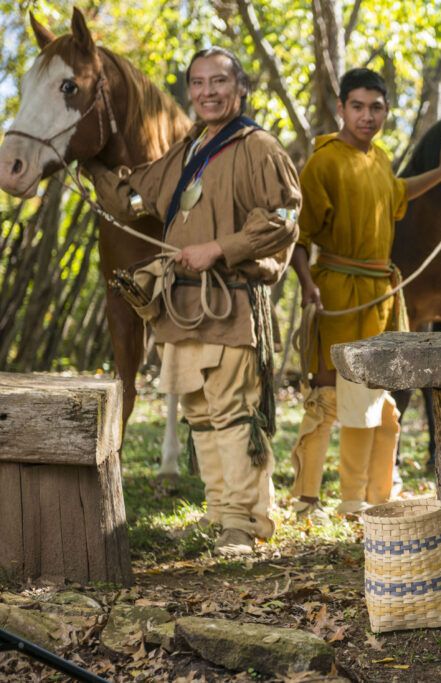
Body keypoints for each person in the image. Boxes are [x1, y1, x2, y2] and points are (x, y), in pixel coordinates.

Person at [85, 48, 301, 556]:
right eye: (198, 83)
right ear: (190, 92)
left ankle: (245, 524)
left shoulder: (259, 147)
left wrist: (218, 249)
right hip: (179, 311)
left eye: (219, 81)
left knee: (234, 413)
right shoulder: (184, 154)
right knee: (201, 414)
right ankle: (221, 513)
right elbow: (131, 199)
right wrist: (88, 163)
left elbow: (282, 221)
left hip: (231, 304)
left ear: (239, 89)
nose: (208, 91)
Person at [289, 68, 441, 522]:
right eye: (357, 106)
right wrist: (308, 287)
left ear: (385, 112)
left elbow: (399, 192)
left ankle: (367, 498)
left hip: (381, 295)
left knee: (378, 403)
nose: (367, 116)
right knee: (328, 397)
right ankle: (306, 501)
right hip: (338, 290)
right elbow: (299, 238)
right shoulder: (323, 162)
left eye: (376, 107)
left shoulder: (380, 160)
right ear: (340, 108)